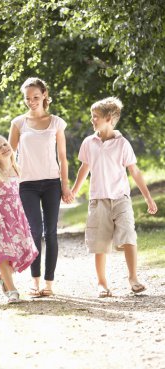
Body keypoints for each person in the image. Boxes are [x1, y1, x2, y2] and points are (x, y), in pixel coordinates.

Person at [71, 96, 158, 297]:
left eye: (95, 117)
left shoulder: (123, 144)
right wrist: (74, 191)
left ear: (109, 118)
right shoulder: (88, 142)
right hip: (98, 199)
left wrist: (148, 198)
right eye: (92, 116)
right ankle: (102, 283)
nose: (92, 120)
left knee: (128, 235)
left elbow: (135, 172)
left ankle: (133, 278)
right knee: (100, 242)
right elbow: (84, 168)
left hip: (121, 198)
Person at [9, 77, 73, 297]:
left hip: (52, 184)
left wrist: (65, 186)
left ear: (44, 95)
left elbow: (63, 158)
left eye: (35, 97)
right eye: (27, 98)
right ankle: (34, 282)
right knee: (34, 232)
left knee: (51, 233)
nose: (31, 101)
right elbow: (8, 156)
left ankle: (49, 284)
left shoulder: (56, 122)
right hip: (26, 184)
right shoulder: (18, 123)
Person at [0, 134, 38, 303]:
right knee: (3, 252)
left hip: (16, 216)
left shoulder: (17, 169)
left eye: (5, 144)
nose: (4, 147)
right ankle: (12, 291)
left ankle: (3, 278)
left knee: (16, 249)